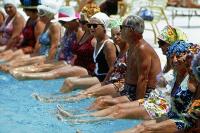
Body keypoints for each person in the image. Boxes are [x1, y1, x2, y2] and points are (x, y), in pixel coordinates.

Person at [116, 42, 200, 133]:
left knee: (143, 128)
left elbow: (194, 113)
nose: (191, 69)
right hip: (172, 116)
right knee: (141, 126)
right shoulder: (180, 75)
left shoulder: (194, 80)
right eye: (188, 65)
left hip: (183, 122)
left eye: (193, 65)